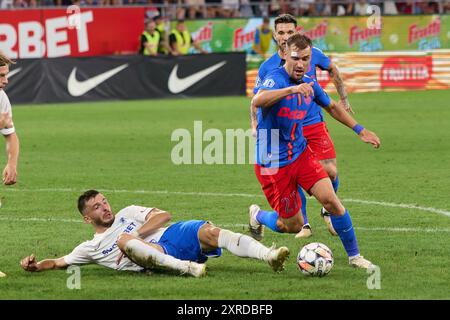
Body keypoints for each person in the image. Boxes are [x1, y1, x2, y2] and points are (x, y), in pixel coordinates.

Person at [250, 33, 380, 269]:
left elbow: (331, 106)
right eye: (296, 58)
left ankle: (355, 257)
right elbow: (259, 100)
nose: (300, 64)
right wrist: (291, 90)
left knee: (332, 201)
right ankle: (257, 215)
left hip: (300, 155)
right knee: (292, 226)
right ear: (285, 56)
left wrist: (360, 130)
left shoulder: (310, 83)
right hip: (272, 164)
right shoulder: (275, 78)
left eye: (306, 59)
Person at [21, 190, 290, 277]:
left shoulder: (127, 213)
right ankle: (187, 269)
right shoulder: (90, 247)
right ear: (86, 217)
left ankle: (269, 255)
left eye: (104, 201)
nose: (104, 207)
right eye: (96, 207)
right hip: (157, 258)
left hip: (169, 236)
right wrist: (35, 266)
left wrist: (136, 234)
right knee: (123, 240)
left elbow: (163, 216)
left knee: (209, 231)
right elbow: (58, 262)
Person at [250, 14, 353, 238]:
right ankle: (303, 223)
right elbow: (257, 99)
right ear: (275, 35)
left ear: (297, 32)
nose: (285, 36)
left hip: (312, 121)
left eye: (290, 32)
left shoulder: (312, 52)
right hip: (284, 129)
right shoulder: (267, 67)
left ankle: (328, 209)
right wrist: (254, 124)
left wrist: (343, 98)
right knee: (293, 171)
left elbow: (332, 70)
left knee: (331, 170)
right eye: (281, 33)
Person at [0, 54, 19, 186]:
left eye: (6, 75)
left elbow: (10, 135)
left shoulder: (1, 98)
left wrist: (11, 164)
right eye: (1, 75)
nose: (6, 80)